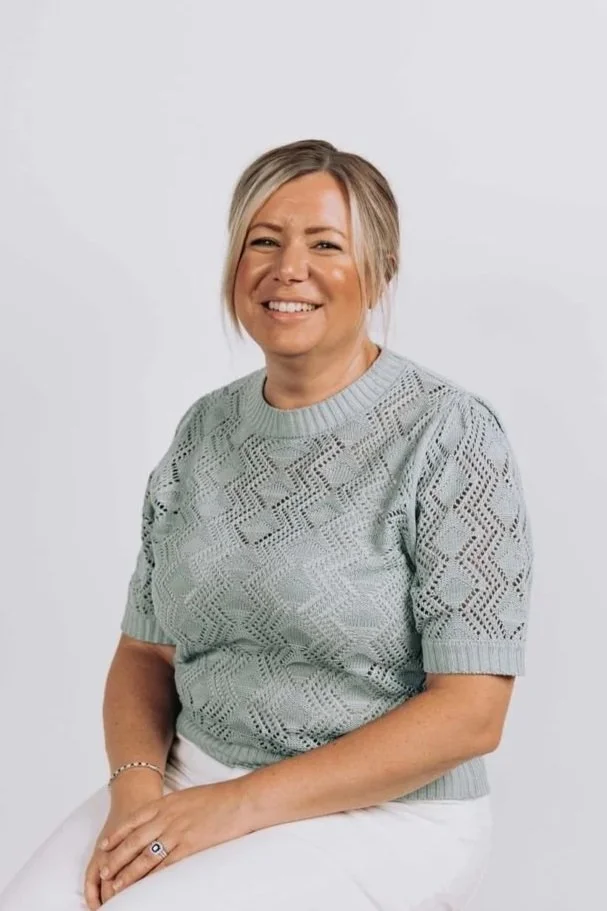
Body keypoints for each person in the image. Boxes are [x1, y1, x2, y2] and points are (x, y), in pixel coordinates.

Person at [0, 139, 534, 911]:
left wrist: (233, 807)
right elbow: (145, 649)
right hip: (191, 777)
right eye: (263, 240)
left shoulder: (448, 433)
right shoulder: (204, 430)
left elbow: (470, 715)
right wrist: (136, 798)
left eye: (326, 244)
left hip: (382, 814)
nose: (289, 269)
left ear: (379, 271)